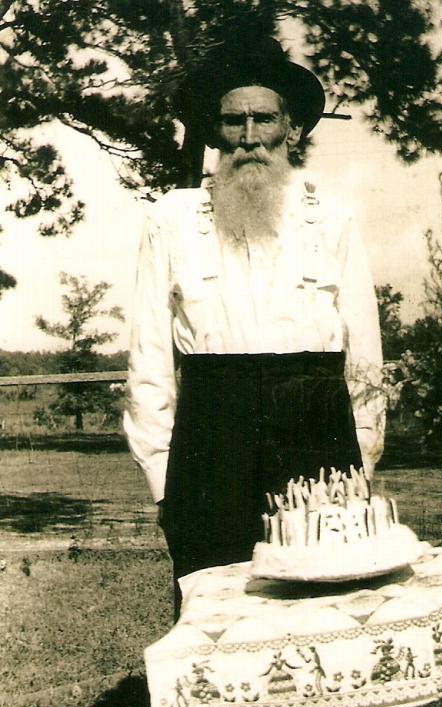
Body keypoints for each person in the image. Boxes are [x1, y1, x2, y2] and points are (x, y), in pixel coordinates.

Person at [124, 35, 385, 614]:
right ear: (215, 131)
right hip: (212, 432)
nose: (248, 138)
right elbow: (148, 357)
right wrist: (165, 477)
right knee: (216, 599)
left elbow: (364, 348)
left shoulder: (331, 218)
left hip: (317, 425)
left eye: (263, 119)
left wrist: (362, 450)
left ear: (291, 130)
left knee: (326, 597)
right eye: (233, 121)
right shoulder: (169, 219)